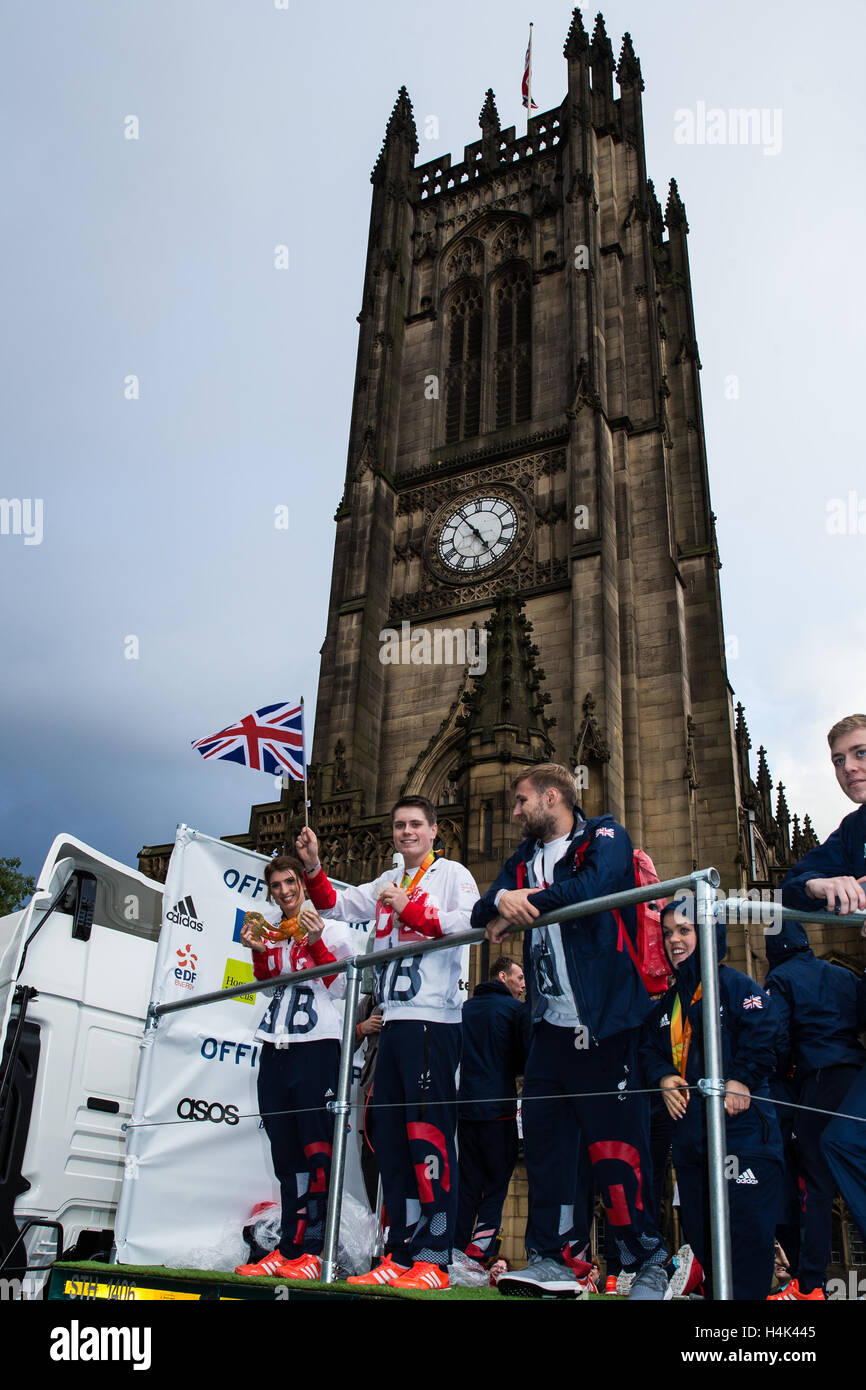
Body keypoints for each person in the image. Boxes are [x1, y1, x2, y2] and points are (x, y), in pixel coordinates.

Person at [470, 763, 670, 1300]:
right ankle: (557, 1258)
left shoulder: (603, 833)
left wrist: (521, 903)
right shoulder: (525, 858)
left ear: (552, 797)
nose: (514, 811)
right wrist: (500, 902)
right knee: (547, 1148)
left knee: (617, 1149)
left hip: (606, 1022)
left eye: (520, 801)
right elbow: (478, 908)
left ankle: (648, 1259)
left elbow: (598, 884)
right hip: (549, 1029)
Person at [295, 797, 479, 1290]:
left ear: (434, 830)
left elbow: (472, 925)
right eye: (399, 825)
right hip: (392, 1022)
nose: (406, 832)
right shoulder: (387, 877)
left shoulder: (454, 873)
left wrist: (411, 907)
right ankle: (401, 1251)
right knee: (392, 1139)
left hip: (432, 1022)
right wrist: (313, 866)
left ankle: (436, 1257)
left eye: (416, 824)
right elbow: (338, 902)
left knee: (429, 1137)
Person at [640, 899, 784, 1300]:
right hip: (692, 1146)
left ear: (707, 934)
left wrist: (742, 1079)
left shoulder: (734, 985)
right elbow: (648, 1049)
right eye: (668, 933)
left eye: (684, 930)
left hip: (744, 1138)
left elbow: (767, 1030)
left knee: (746, 1245)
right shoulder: (669, 1003)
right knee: (704, 1243)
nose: (674, 940)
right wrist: (664, 1075)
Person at [234, 854, 354, 1282]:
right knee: (285, 1153)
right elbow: (270, 986)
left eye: (290, 883)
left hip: (317, 1046)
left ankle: (316, 1249)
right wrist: (260, 953)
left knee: (316, 1151)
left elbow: (341, 986)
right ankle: (289, 1247)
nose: (284, 892)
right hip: (276, 1045)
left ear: (303, 884)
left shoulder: (332, 927)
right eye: (276, 886)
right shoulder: (274, 933)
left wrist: (318, 942)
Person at [778, 713, 866, 1250]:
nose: (850, 768)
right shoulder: (855, 829)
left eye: (860, 753)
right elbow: (790, 886)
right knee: (844, 1140)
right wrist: (820, 882)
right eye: (839, 760)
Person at [764, 919, 866, 1300]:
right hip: (856, 1078)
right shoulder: (839, 974)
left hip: (819, 1081)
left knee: (815, 1185)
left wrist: (782, 1066)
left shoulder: (781, 979)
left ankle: (811, 1284)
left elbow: (773, 1034)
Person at [455, 955, 530, 1264]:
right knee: (497, 1181)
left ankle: (456, 1248)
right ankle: (479, 1250)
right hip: (498, 1108)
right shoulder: (515, 1011)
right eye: (519, 978)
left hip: (465, 1109)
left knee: (468, 1183)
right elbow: (523, 1061)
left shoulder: (466, 1008)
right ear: (502, 977)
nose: (524, 984)